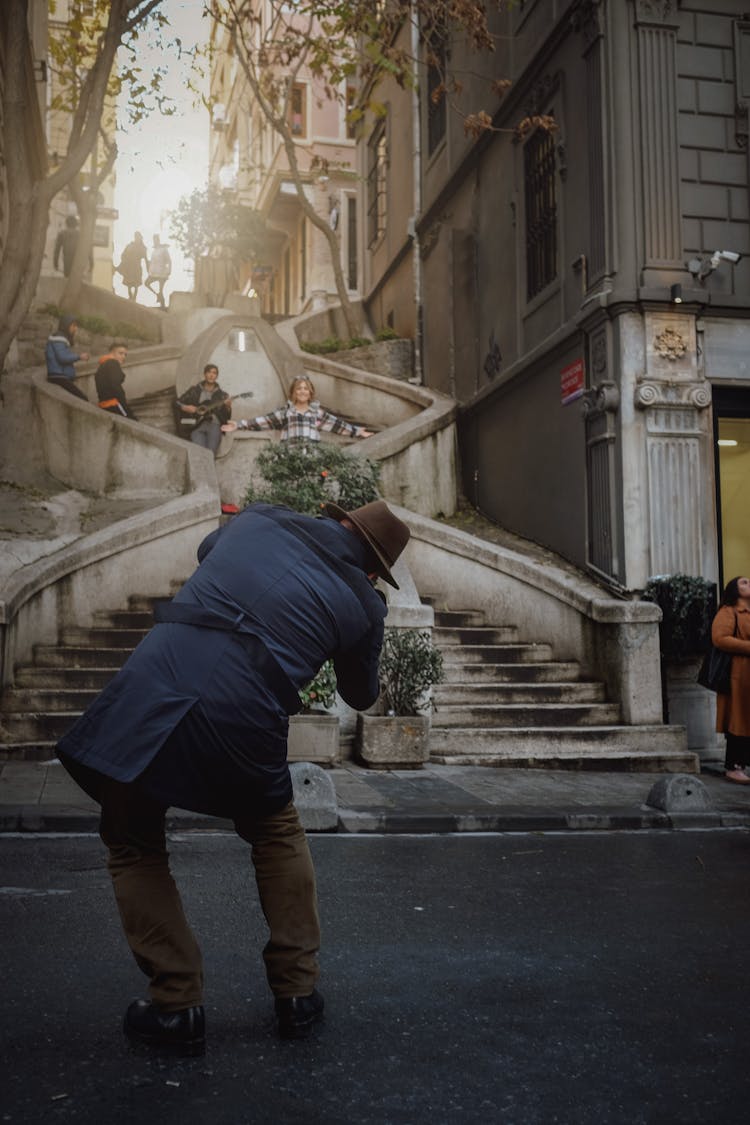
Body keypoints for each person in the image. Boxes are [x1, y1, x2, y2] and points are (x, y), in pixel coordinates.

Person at [56, 498, 410, 1054]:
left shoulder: (258, 520)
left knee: (132, 839)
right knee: (275, 833)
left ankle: (176, 1004)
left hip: (159, 680)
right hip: (246, 714)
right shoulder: (364, 602)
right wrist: (365, 608)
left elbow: (207, 551)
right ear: (374, 565)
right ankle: (296, 995)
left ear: (340, 520)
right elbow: (359, 694)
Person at [222, 374, 373, 442]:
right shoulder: (286, 412)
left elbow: (338, 425)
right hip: (290, 456)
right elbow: (263, 421)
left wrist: (358, 431)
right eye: (298, 389)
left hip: (311, 457)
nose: (302, 391)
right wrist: (239, 424)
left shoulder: (317, 413)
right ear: (293, 393)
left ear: (310, 392)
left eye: (305, 389)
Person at [711, 575, 750, 784]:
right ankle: (734, 766)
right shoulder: (728, 611)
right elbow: (719, 638)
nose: (749, 583)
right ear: (734, 590)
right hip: (738, 676)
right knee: (739, 720)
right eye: (744, 582)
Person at [175, 363, 232, 455]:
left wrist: (228, 407)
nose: (211, 375)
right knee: (198, 454)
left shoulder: (222, 395)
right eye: (209, 372)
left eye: (214, 373)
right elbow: (176, 402)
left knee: (210, 455)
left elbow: (227, 417)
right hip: (196, 426)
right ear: (204, 374)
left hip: (214, 426)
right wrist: (185, 407)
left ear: (216, 376)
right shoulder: (194, 390)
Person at [45, 314, 90, 400]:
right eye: (74, 325)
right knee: (83, 399)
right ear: (66, 325)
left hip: (61, 376)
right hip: (58, 376)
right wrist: (79, 357)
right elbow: (62, 358)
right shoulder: (59, 338)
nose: (76, 328)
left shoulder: (61, 338)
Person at [95, 341, 137, 419]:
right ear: (112, 353)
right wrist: (124, 405)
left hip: (104, 405)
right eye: (120, 353)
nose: (124, 357)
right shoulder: (113, 363)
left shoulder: (102, 366)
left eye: (125, 354)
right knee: (132, 421)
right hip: (114, 403)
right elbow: (116, 386)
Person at [117, 232, 148, 301]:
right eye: (136, 237)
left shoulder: (142, 247)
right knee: (129, 283)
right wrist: (126, 259)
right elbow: (123, 254)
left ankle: (134, 297)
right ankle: (130, 297)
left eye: (138, 237)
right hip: (130, 267)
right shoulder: (130, 245)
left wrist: (148, 267)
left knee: (136, 283)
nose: (137, 238)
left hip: (137, 267)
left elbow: (145, 257)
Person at [144, 235, 172, 309]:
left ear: (158, 240)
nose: (155, 241)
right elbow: (153, 262)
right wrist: (149, 268)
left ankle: (162, 304)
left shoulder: (164, 249)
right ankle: (157, 295)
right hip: (154, 272)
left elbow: (169, 260)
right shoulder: (154, 251)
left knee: (161, 290)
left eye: (156, 240)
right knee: (146, 283)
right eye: (154, 240)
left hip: (162, 273)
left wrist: (169, 270)